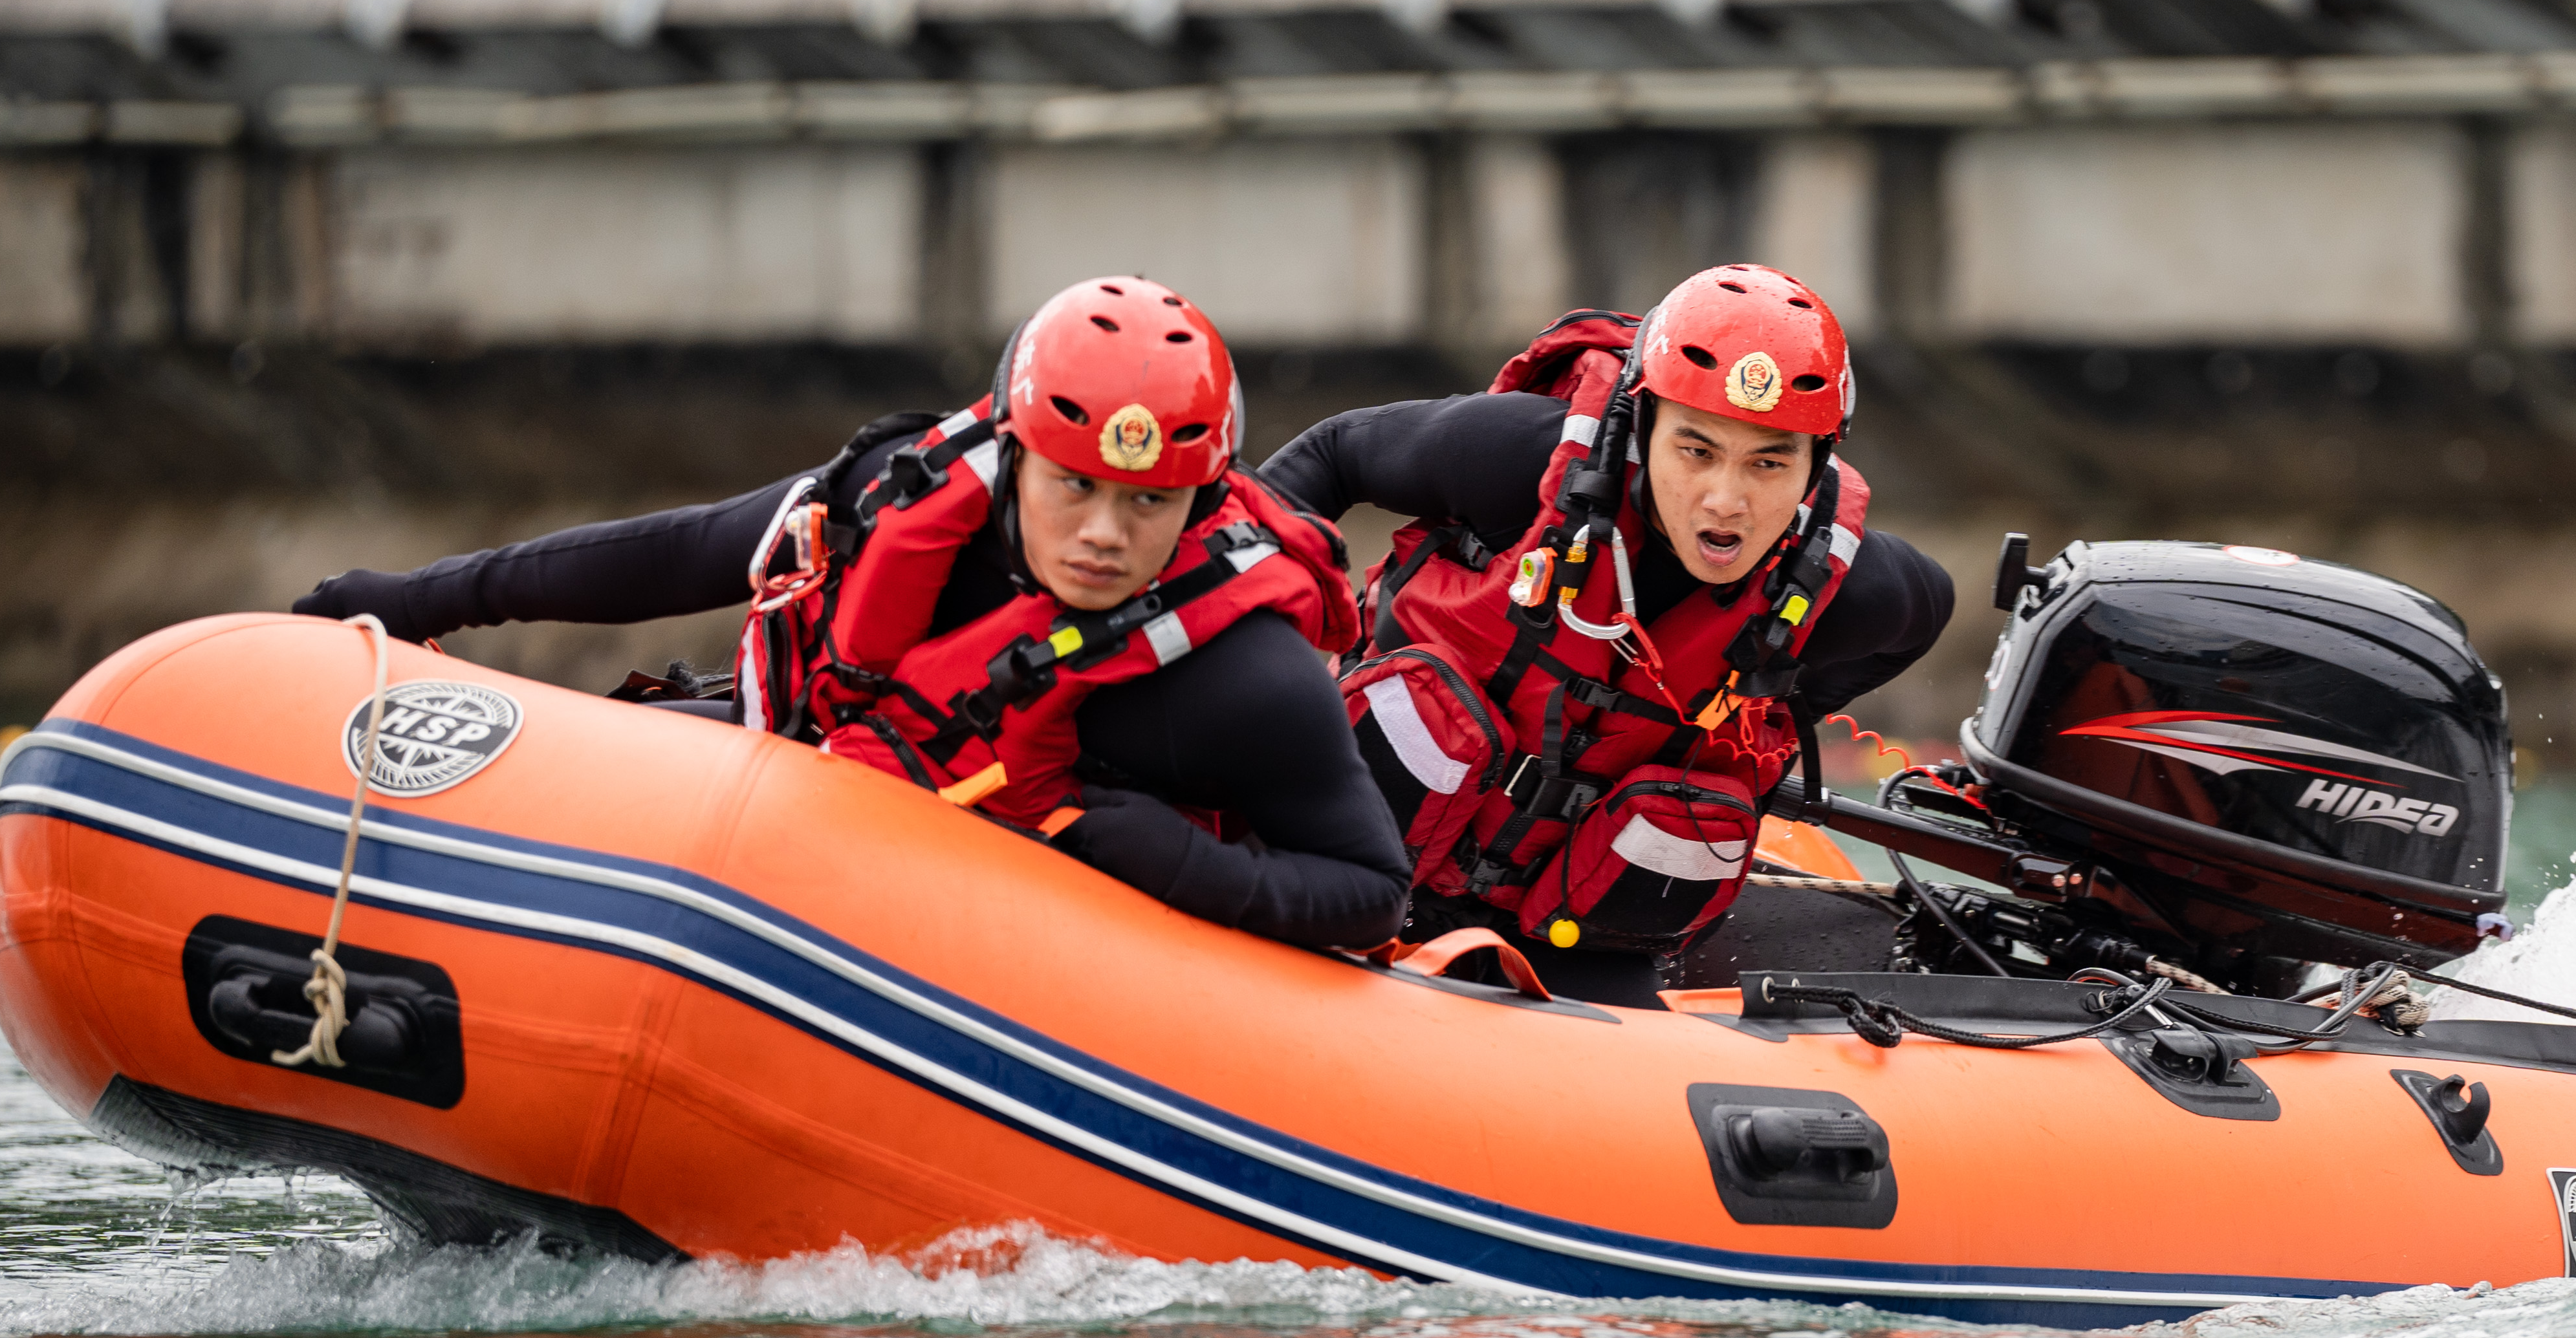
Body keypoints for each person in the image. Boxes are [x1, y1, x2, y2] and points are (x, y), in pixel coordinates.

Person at [290, 278, 1410, 953]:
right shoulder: (898, 497)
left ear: (1201, 500)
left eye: (1149, 503)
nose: (1107, 533)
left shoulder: (1248, 675)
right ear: (1013, 454)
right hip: (800, 799)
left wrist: (1169, 857)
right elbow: (674, 554)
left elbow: (1370, 891)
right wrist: (411, 602)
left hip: (1030, 943)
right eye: (1075, 484)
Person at [1257, 263, 1952, 1008]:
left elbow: (1926, 612)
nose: (1726, 501)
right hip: (1363, 838)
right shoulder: (1521, 457)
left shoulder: (1856, 585)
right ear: (1646, 424)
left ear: (1817, 468)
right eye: (1697, 450)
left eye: (1769, 462)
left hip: (1569, 925)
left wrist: (1770, 708)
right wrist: (1266, 653)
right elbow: (1328, 458)